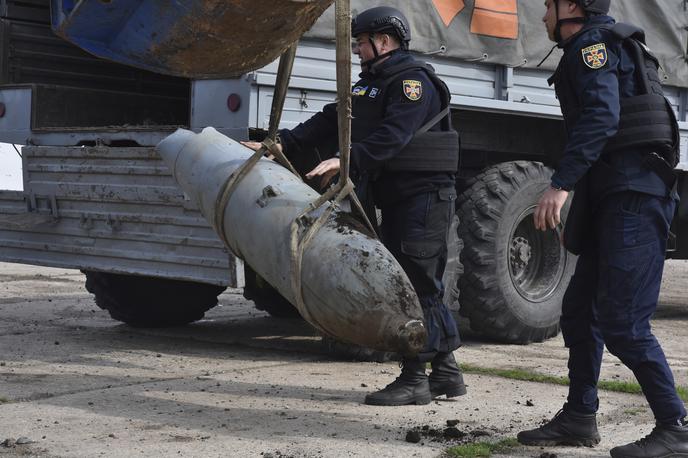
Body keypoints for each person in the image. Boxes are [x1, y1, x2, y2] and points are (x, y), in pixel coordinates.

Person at [243, 6, 465, 406]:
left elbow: (395, 134)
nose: (358, 50)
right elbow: (330, 120)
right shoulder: (370, 85)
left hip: (425, 197)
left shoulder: (412, 82)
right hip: (400, 196)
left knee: (414, 284)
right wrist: (277, 144)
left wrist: (350, 160)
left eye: (362, 42)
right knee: (422, 281)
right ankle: (446, 374)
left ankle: (415, 377)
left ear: (384, 41)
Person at [518, 1, 688, 456]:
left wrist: (560, 183)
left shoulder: (592, 45)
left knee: (624, 324)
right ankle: (579, 416)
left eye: (548, 6)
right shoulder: (605, 45)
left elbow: (601, 116)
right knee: (579, 311)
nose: (543, 17)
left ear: (571, 6)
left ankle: (676, 427)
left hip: (632, 195)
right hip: (616, 194)